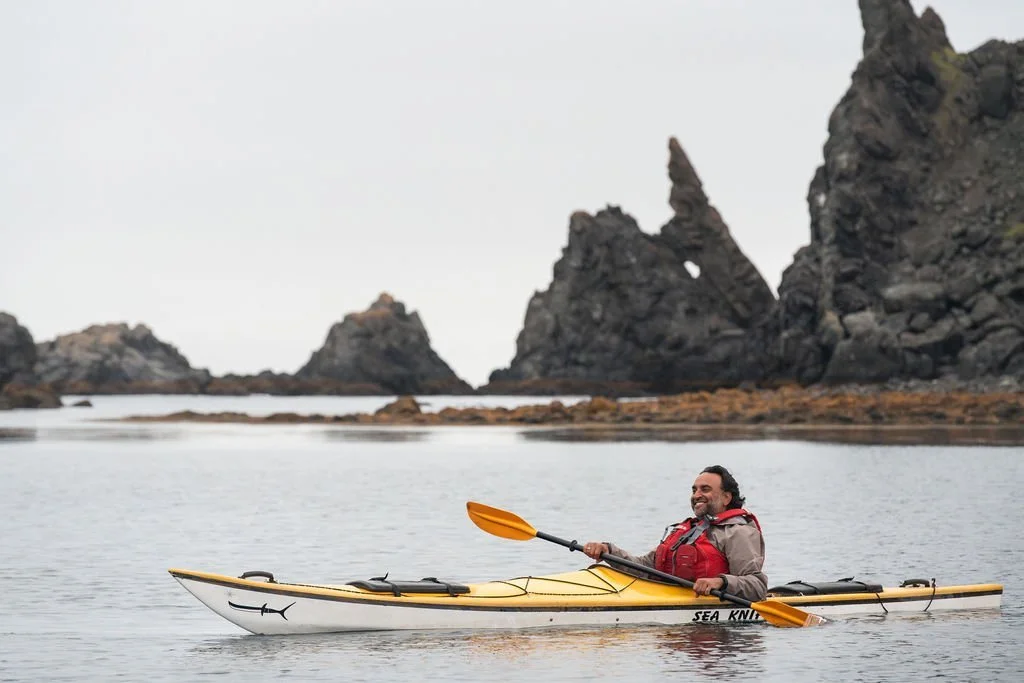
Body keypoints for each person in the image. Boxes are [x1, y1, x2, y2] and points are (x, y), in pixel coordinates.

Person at [582, 465, 767, 602]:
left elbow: (757, 586)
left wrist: (720, 582)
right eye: (694, 490)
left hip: (716, 627)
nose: (696, 495)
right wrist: (608, 551)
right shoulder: (687, 531)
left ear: (727, 497)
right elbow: (645, 568)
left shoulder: (738, 532)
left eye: (705, 489)